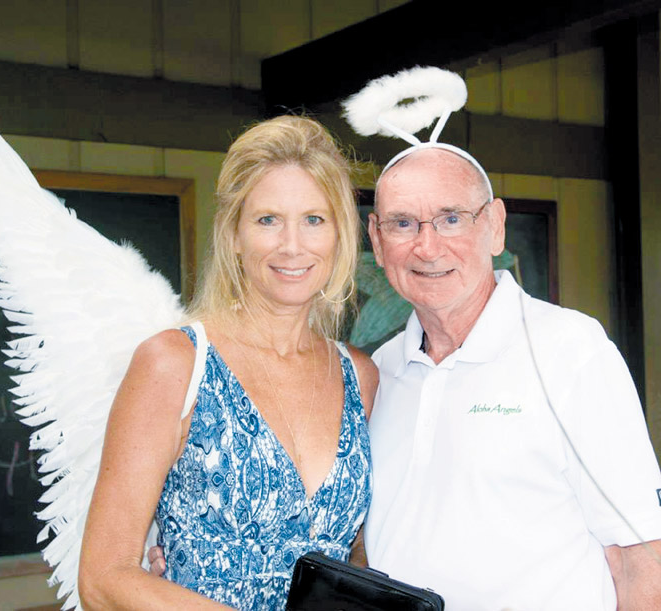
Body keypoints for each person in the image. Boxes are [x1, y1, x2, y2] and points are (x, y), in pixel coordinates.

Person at [78, 115, 378, 610]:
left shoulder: (359, 376)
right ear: (234, 234)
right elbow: (103, 579)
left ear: (340, 234)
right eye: (267, 220)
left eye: (314, 219)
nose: (292, 245)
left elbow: (356, 555)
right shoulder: (176, 363)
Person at [364, 144, 661, 610]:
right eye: (402, 223)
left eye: (451, 218)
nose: (427, 246)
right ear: (377, 240)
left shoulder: (571, 352)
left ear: (496, 226)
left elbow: (641, 559)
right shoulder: (381, 370)